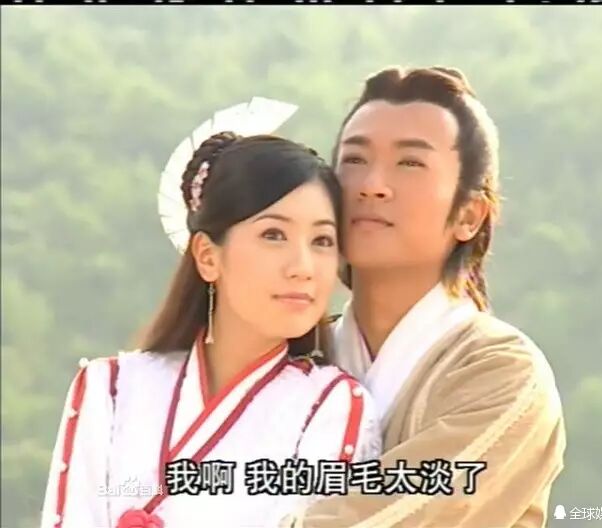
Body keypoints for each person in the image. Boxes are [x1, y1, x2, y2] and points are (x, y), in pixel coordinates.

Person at [40, 130, 382, 528]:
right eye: (274, 235)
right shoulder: (110, 389)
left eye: (322, 240)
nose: (303, 267)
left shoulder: (332, 406)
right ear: (207, 255)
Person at [282, 67, 567, 527]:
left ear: (469, 215)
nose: (372, 184)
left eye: (410, 163)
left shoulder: (502, 374)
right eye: (354, 159)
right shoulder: (293, 353)